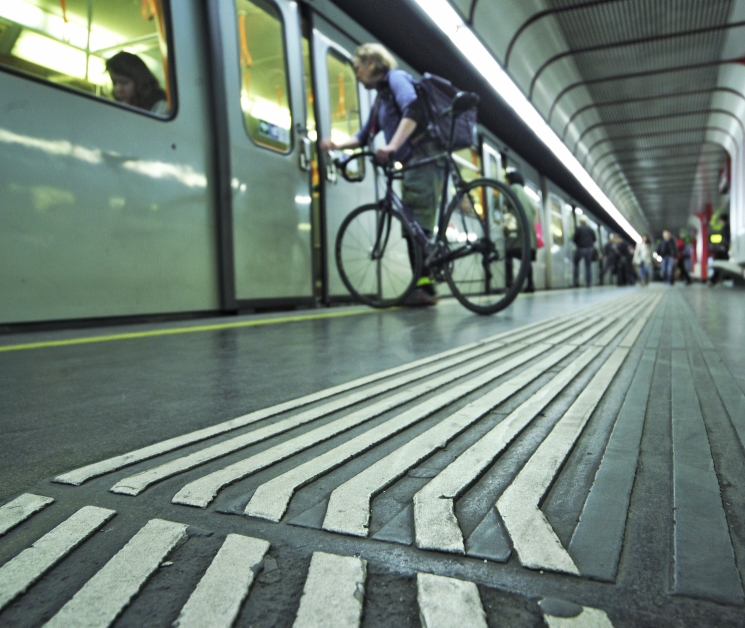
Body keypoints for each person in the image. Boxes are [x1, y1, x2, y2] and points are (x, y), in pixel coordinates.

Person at [320, 43, 442, 306]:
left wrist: (393, 145)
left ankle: (423, 289)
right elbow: (364, 136)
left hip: (423, 158)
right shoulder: (381, 99)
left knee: (416, 225)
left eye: (357, 68)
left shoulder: (396, 79)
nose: (356, 74)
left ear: (371, 63)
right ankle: (424, 288)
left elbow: (413, 108)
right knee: (413, 227)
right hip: (413, 161)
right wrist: (336, 145)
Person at [505, 170, 537, 292]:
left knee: (509, 253)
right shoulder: (525, 193)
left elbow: (507, 203)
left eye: (507, 180)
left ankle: (510, 283)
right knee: (526, 259)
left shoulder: (513, 188)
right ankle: (530, 284)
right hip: (529, 232)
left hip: (518, 230)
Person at [572, 216, 596, 287]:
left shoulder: (578, 229)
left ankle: (576, 281)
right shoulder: (591, 229)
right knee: (588, 266)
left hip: (580, 248)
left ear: (580, 222)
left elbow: (574, 239)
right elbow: (594, 239)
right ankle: (589, 283)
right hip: (589, 249)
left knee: (576, 264)